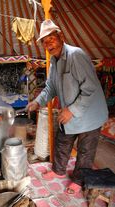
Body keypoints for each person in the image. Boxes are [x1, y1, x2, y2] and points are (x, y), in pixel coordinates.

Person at [26, 19, 108, 194]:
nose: (49, 44)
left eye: (51, 38)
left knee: (85, 150)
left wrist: (71, 110)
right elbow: (51, 87)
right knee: (62, 141)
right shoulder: (54, 62)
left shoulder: (75, 55)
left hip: (89, 113)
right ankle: (58, 170)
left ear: (61, 36)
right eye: (45, 41)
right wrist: (37, 101)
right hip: (69, 112)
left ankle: (79, 180)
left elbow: (90, 88)